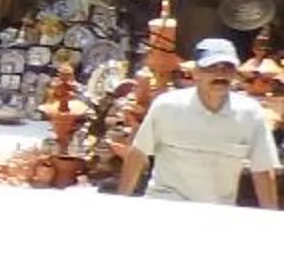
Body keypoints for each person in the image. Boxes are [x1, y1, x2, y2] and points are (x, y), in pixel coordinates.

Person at [116, 38, 278, 205]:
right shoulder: (167, 106)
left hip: (216, 214)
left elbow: (263, 170)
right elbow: (138, 153)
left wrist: (273, 223)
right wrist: (121, 204)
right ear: (196, 73)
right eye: (211, 68)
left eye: (227, 68)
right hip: (165, 207)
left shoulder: (250, 114)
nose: (220, 74)